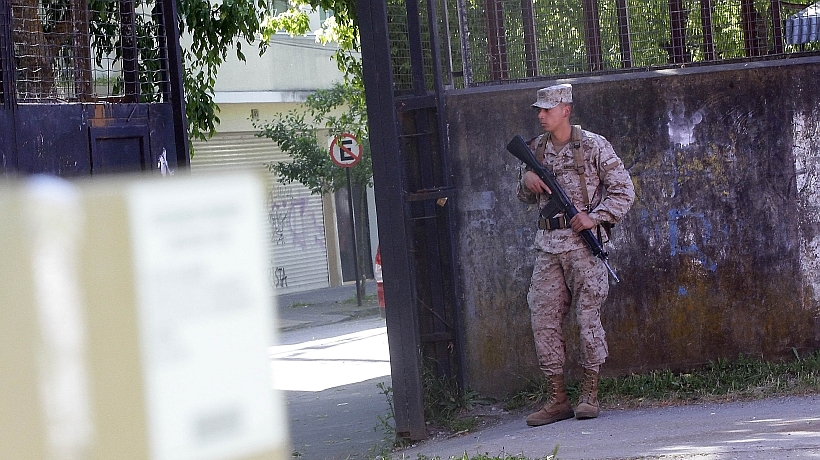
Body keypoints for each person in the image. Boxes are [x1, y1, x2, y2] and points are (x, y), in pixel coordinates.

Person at [517, 84, 635, 426]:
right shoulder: (535, 150)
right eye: (539, 110)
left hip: (584, 248)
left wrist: (594, 217)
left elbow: (625, 191)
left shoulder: (594, 146)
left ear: (565, 110)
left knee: (587, 320)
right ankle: (557, 399)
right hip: (548, 248)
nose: (541, 115)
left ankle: (589, 393)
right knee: (543, 320)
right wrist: (527, 180)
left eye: (547, 110)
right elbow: (521, 196)